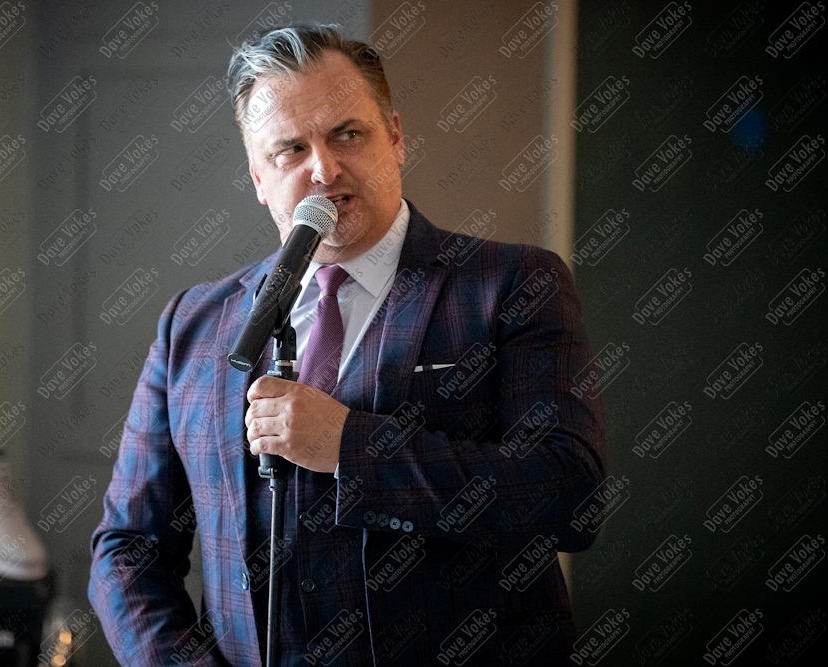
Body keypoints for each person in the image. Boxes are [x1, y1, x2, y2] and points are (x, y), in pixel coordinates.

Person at [90, 24, 606, 666]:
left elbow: (568, 495)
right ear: (258, 177)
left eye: (348, 135)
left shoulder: (512, 285)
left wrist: (349, 447)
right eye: (290, 149)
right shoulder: (193, 324)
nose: (324, 169)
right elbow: (128, 550)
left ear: (396, 137)